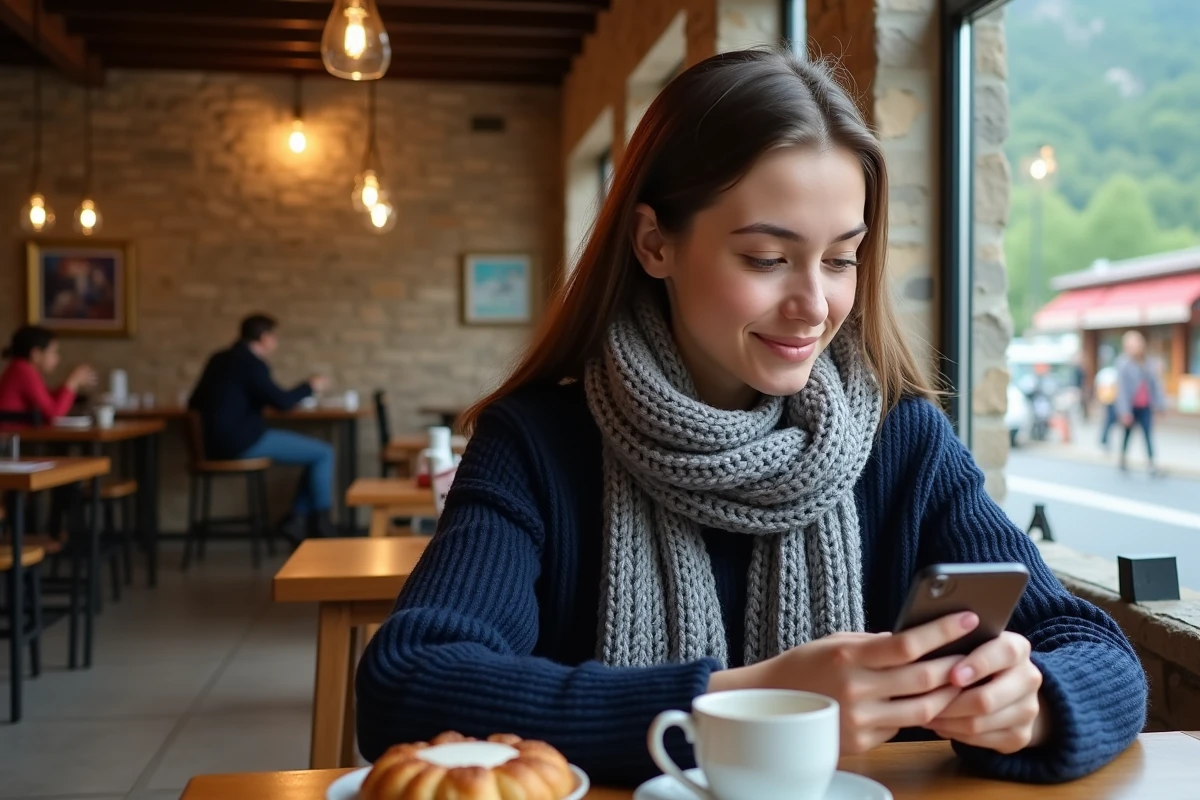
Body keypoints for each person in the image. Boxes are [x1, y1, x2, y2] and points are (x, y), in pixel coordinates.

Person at [355, 51, 1146, 787]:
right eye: (767, 259)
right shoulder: (537, 444)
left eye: (841, 259)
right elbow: (408, 682)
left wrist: (1028, 705)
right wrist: (748, 702)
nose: (814, 306)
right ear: (655, 242)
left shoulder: (903, 441)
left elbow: (1101, 657)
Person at [188, 314, 334, 541]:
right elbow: (283, 402)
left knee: (314, 455)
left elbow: (193, 403)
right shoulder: (251, 363)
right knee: (324, 453)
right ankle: (321, 525)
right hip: (240, 442)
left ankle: (296, 521)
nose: (275, 343)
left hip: (212, 445)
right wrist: (310, 386)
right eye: (274, 337)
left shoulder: (219, 358)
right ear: (265, 338)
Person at [0, 325, 96, 425]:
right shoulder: (23, 370)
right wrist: (72, 382)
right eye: (53, 352)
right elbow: (54, 415)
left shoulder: (19, 368)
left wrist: (71, 384)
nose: (57, 358)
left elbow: (48, 401)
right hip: (15, 438)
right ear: (36, 354)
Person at [1114, 331, 1167, 475]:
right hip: (1131, 406)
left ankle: (1151, 464)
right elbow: (1122, 390)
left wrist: (1161, 405)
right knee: (1127, 434)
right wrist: (1124, 411)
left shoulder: (1149, 362)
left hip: (1145, 406)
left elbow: (1156, 385)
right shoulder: (1123, 363)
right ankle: (1123, 459)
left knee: (1148, 434)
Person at [1094, 362, 1119, 449]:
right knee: (1108, 422)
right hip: (1109, 402)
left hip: (1110, 401)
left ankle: (1104, 440)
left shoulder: (1107, 375)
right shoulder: (1109, 376)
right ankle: (1104, 440)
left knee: (1108, 422)